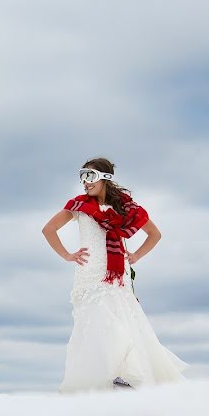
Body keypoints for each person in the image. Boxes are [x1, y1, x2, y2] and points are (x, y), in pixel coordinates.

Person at [42, 157, 186, 392]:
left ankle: (123, 374)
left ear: (105, 178)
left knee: (119, 321)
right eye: (82, 176)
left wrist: (137, 255)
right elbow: (48, 229)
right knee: (93, 325)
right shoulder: (78, 206)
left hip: (117, 275)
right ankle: (103, 380)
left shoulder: (126, 208)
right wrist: (67, 255)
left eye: (89, 176)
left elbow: (154, 234)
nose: (84, 182)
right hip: (89, 274)